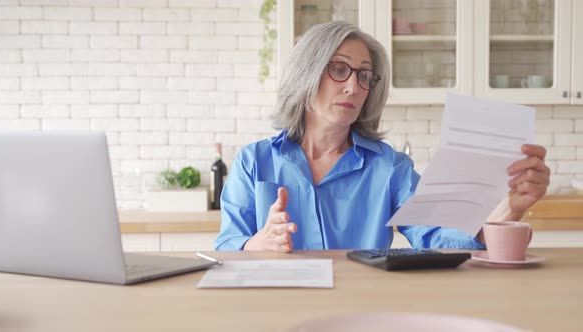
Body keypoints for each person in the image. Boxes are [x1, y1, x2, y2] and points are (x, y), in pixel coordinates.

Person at [214, 21, 550, 252]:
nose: (353, 87)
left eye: (364, 75)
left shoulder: (389, 167)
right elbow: (228, 246)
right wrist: (261, 243)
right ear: (306, 75)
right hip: (274, 307)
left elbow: (440, 238)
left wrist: (508, 209)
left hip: (361, 309)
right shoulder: (254, 161)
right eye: (339, 69)